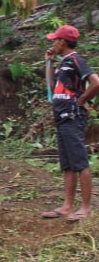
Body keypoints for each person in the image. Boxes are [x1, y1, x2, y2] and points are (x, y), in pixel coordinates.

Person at [41, 25, 99, 222]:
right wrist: (48, 63)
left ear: (62, 42)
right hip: (62, 116)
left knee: (79, 162)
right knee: (67, 164)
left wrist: (80, 101)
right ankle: (67, 206)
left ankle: (85, 207)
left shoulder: (75, 59)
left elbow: (96, 82)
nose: (53, 43)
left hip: (72, 115)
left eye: (55, 40)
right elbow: (51, 87)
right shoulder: (63, 63)